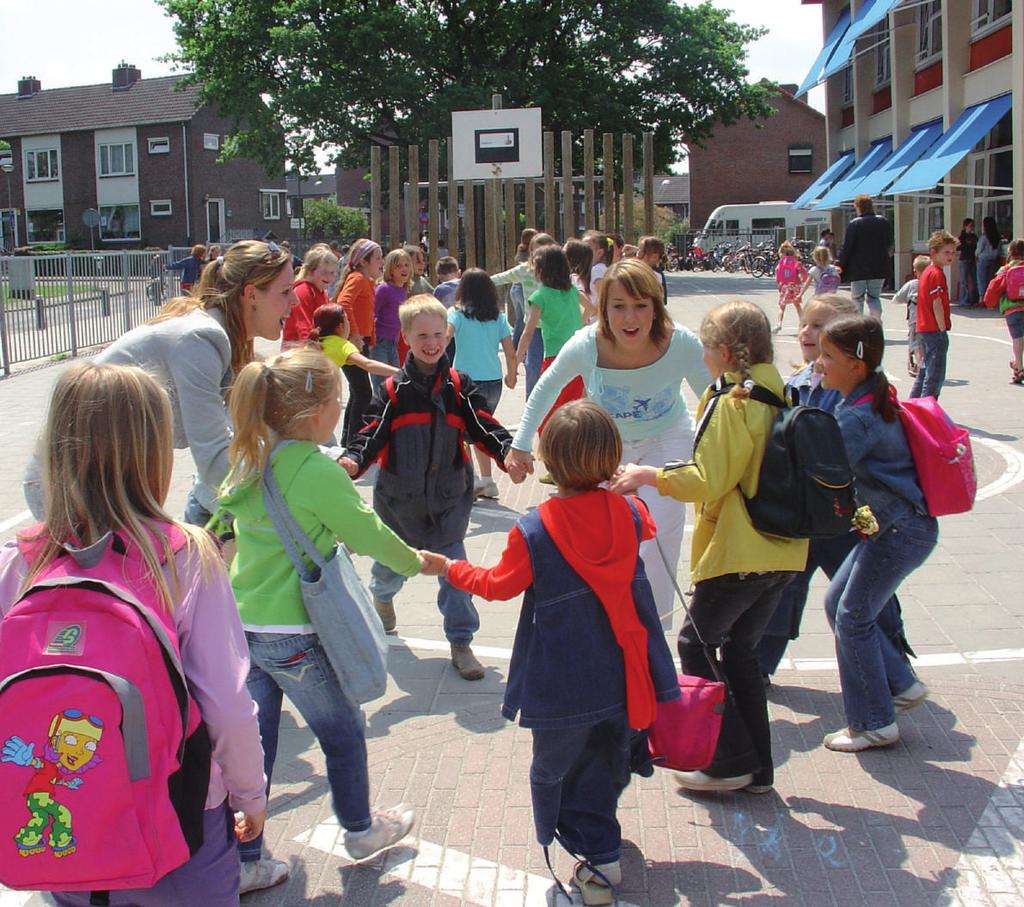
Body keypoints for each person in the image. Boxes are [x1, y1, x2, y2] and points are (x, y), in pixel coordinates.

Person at [2, 362, 269, 903]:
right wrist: (250, 795)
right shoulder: (185, 555)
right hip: (177, 818)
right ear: (153, 451)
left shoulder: (20, 559)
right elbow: (227, 703)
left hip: (63, 822)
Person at [423, 401, 678, 906]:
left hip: (563, 678)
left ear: (550, 463)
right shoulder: (633, 511)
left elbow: (497, 586)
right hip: (626, 668)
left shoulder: (535, 529)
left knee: (558, 771)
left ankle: (600, 864)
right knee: (608, 757)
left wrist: (448, 568)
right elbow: (642, 528)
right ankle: (602, 831)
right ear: (611, 458)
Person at [217, 348, 420, 872]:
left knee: (253, 749)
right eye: (339, 400)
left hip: (244, 629)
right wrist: (417, 562)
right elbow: (367, 533)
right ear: (318, 413)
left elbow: (221, 520)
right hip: (296, 634)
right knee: (343, 732)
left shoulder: (249, 457)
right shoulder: (314, 469)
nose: (342, 409)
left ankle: (244, 858)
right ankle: (358, 830)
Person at [611, 300, 807, 793]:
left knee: (694, 643)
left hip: (740, 551)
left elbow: (710, 478)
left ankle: (730, 762)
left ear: (723, 352)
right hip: (783, 551)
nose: (701, 358)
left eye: (704, 348)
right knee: (740, 653)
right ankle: (759, 767)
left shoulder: (734, 403)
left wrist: (648, 475)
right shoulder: (777, 391)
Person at [23, 240, 296, 527]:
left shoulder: (220, 338)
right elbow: (214, 460)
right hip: (72, 486)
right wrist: (297, 492)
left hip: (104, 482)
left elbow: (244, 433)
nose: (296, 301)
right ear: (251, 294)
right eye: (286, 291)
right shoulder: (201, 339)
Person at [506, 260, 710, 626]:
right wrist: (520, 445)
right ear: (603, 308)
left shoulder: (680, 343)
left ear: (656, 306)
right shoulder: (587, 344)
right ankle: (603, 620)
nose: (629, 318)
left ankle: (653, 627)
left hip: (667, 439)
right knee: (601, 537)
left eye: (640, 305)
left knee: (659, 534)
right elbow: (546, 388)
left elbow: (713, 400)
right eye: (618, 306)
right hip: (606, 448)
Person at [339, 297, 520, 680]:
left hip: (449, 503)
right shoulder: (392, 391)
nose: (432, 342)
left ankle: (461, 641)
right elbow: (370, 432)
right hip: (398, 506)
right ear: (405, 337)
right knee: (392, 572)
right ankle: (382, 597)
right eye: (422, 335)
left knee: (456, 576)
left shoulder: (458, 387)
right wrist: (353, 460)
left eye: (438, 334)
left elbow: (483, 425)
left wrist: (508, 453)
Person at [756, 294, 913, 682]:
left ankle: (896, 674)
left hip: (848, 514)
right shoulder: (795, 382)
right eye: (806, 323)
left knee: (864, 596)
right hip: (805, 515)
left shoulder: (852, 390)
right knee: (782, 588)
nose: (808, 332)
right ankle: (758, 667)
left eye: (820, 326)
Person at [817, 315, 936, 752]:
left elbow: (827, 474)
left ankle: (874, 723)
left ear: (856, 365)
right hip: (892, 526)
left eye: (829, 357)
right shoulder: (864, 399)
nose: (819, 364)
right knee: (839, 605)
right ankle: (900, 685)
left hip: (899, 530)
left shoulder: (857, 418)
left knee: (852, 617)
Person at [447, 270, 517, 500]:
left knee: (459, 431)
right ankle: (487, 481)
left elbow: (445, 338)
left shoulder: (456, 314)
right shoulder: (498, 317)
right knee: (481, 430)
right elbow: (509, 351)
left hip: (465, 381)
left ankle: (469, 480)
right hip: (493, 381)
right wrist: (512, 375)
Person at [516, 244, 587, 431]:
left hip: (555, 357)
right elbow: (592, 308)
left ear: (541, 270)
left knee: (548, 413)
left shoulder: (540, 296)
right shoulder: (571, 290)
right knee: (573, 409)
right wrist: (580, 321)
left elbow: (528, 332)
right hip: (579, 356)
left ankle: (554, 453)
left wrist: (515, 361)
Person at [334, 238, 383, 445]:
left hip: (360, 341)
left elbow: (367, 313)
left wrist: (368, 337)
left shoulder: (366, 281)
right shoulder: (358, 278)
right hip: (353, 341)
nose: (382, 262)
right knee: (363, 393)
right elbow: (344, 303)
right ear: (364, 261)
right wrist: (353, 334)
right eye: (378, 258)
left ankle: (349, 440)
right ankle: (355, 442)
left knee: (358, 391)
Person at [493, 230, 552, 396]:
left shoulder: (558, 273)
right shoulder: (524, 270)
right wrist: (474, 282)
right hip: (534, 328)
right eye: (534, 250)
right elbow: (500, 278)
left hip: (554, 328)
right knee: (533, 368)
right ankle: (532, 405)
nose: (537, 255)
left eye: (541, 251)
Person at [910, 230, 956, 400]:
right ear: (933, 253)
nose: (950, 256)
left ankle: (913, 404)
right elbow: (937, 303)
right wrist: (942, 328)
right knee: (935, 374)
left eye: (952, 252)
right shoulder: (936, 273)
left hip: (923, 327)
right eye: (946, 252)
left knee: (924, 370)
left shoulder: (928, 271)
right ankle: (927, 409)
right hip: (934, 328)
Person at [307, 302, 399, 380]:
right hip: (317, 392)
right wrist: (400, 372)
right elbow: (368, 364)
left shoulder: (314, 341)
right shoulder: (342, 345)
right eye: (347, 320)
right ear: (341, 326)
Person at [837, 194, 892, 316]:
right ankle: (876, 321)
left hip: (858, 269)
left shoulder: (855, 223)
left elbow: (847, 247)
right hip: (879, 266)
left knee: (857, 298)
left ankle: (858, 325)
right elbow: (889, 243)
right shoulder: (884, 222)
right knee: (874, 297)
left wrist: (840, 264)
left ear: (858, 206)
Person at [281, 243, 339, 348]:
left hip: (316, 350)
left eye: (333, 272)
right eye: (325, 272)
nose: (330, 277)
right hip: (298, 353)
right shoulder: (303, 291)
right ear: (310, 271)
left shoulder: (321, 292)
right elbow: (304, 329)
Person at [984, 238, 1024, 384]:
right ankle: (1018, 364)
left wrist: (989, 302)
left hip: (1011, 308)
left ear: (1010, 252)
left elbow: (994, 287)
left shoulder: (1006, 269)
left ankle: (1019, 366)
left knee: (1017, 338)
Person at [371, 248, 412, 385]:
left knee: (395, 382)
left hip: (393, 341)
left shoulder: (402, 290)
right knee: (381, 384)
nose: (403, 269)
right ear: (390, 269)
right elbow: (373, 312)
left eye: (406, 265)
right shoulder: (384, 289)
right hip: (380, 342)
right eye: (398, 266)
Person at [892, 256, 930, 376]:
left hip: (915, 320)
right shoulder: (932, 284)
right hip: (930, 321)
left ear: (915, 271)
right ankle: (926, 365)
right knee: (927, 344)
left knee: (916, 344)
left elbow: (896, 299)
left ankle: (920, 366)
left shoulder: (912, 284)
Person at [773, 240, 808, 333]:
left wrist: (779, 284)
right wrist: (803, 280)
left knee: (782, 306)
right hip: (795, 284)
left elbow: (777, 273)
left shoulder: (781, 262)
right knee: (797, 304)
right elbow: (803, 271)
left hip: (785, 285)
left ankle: (779, 323)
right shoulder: (795, 261)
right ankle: (803, 323)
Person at [564, 238, 596, 322]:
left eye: (563, 253)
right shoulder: (581, 278)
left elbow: (590, 308)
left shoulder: (573, 280)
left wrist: (578, 325)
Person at [976, 216, 1003, 304]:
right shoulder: (998, 236)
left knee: (981, 278)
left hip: (983, 259)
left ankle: (981, 299)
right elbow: (999, 250)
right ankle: (991, 299)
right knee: (991, 279)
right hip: (994, 259)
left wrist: (976, 255)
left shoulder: (984, 237)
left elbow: (979, 249)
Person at [637, 235, 668, 304]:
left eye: (641, 251)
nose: (638, 253)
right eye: (638, 249)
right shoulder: (646, 271)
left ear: (654, 256)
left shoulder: (654, 276)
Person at [956, 217, 978, 307]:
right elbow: (957, 247)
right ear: (965, 226)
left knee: (974, 281)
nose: (972, 228)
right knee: (964, 281)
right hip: (964, 260)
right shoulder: (962, 237)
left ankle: (974, 300)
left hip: (972, 260)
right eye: (970, 226)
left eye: (973, 226)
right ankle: (964, 301)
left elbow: (977, 247)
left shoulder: (974, 237)